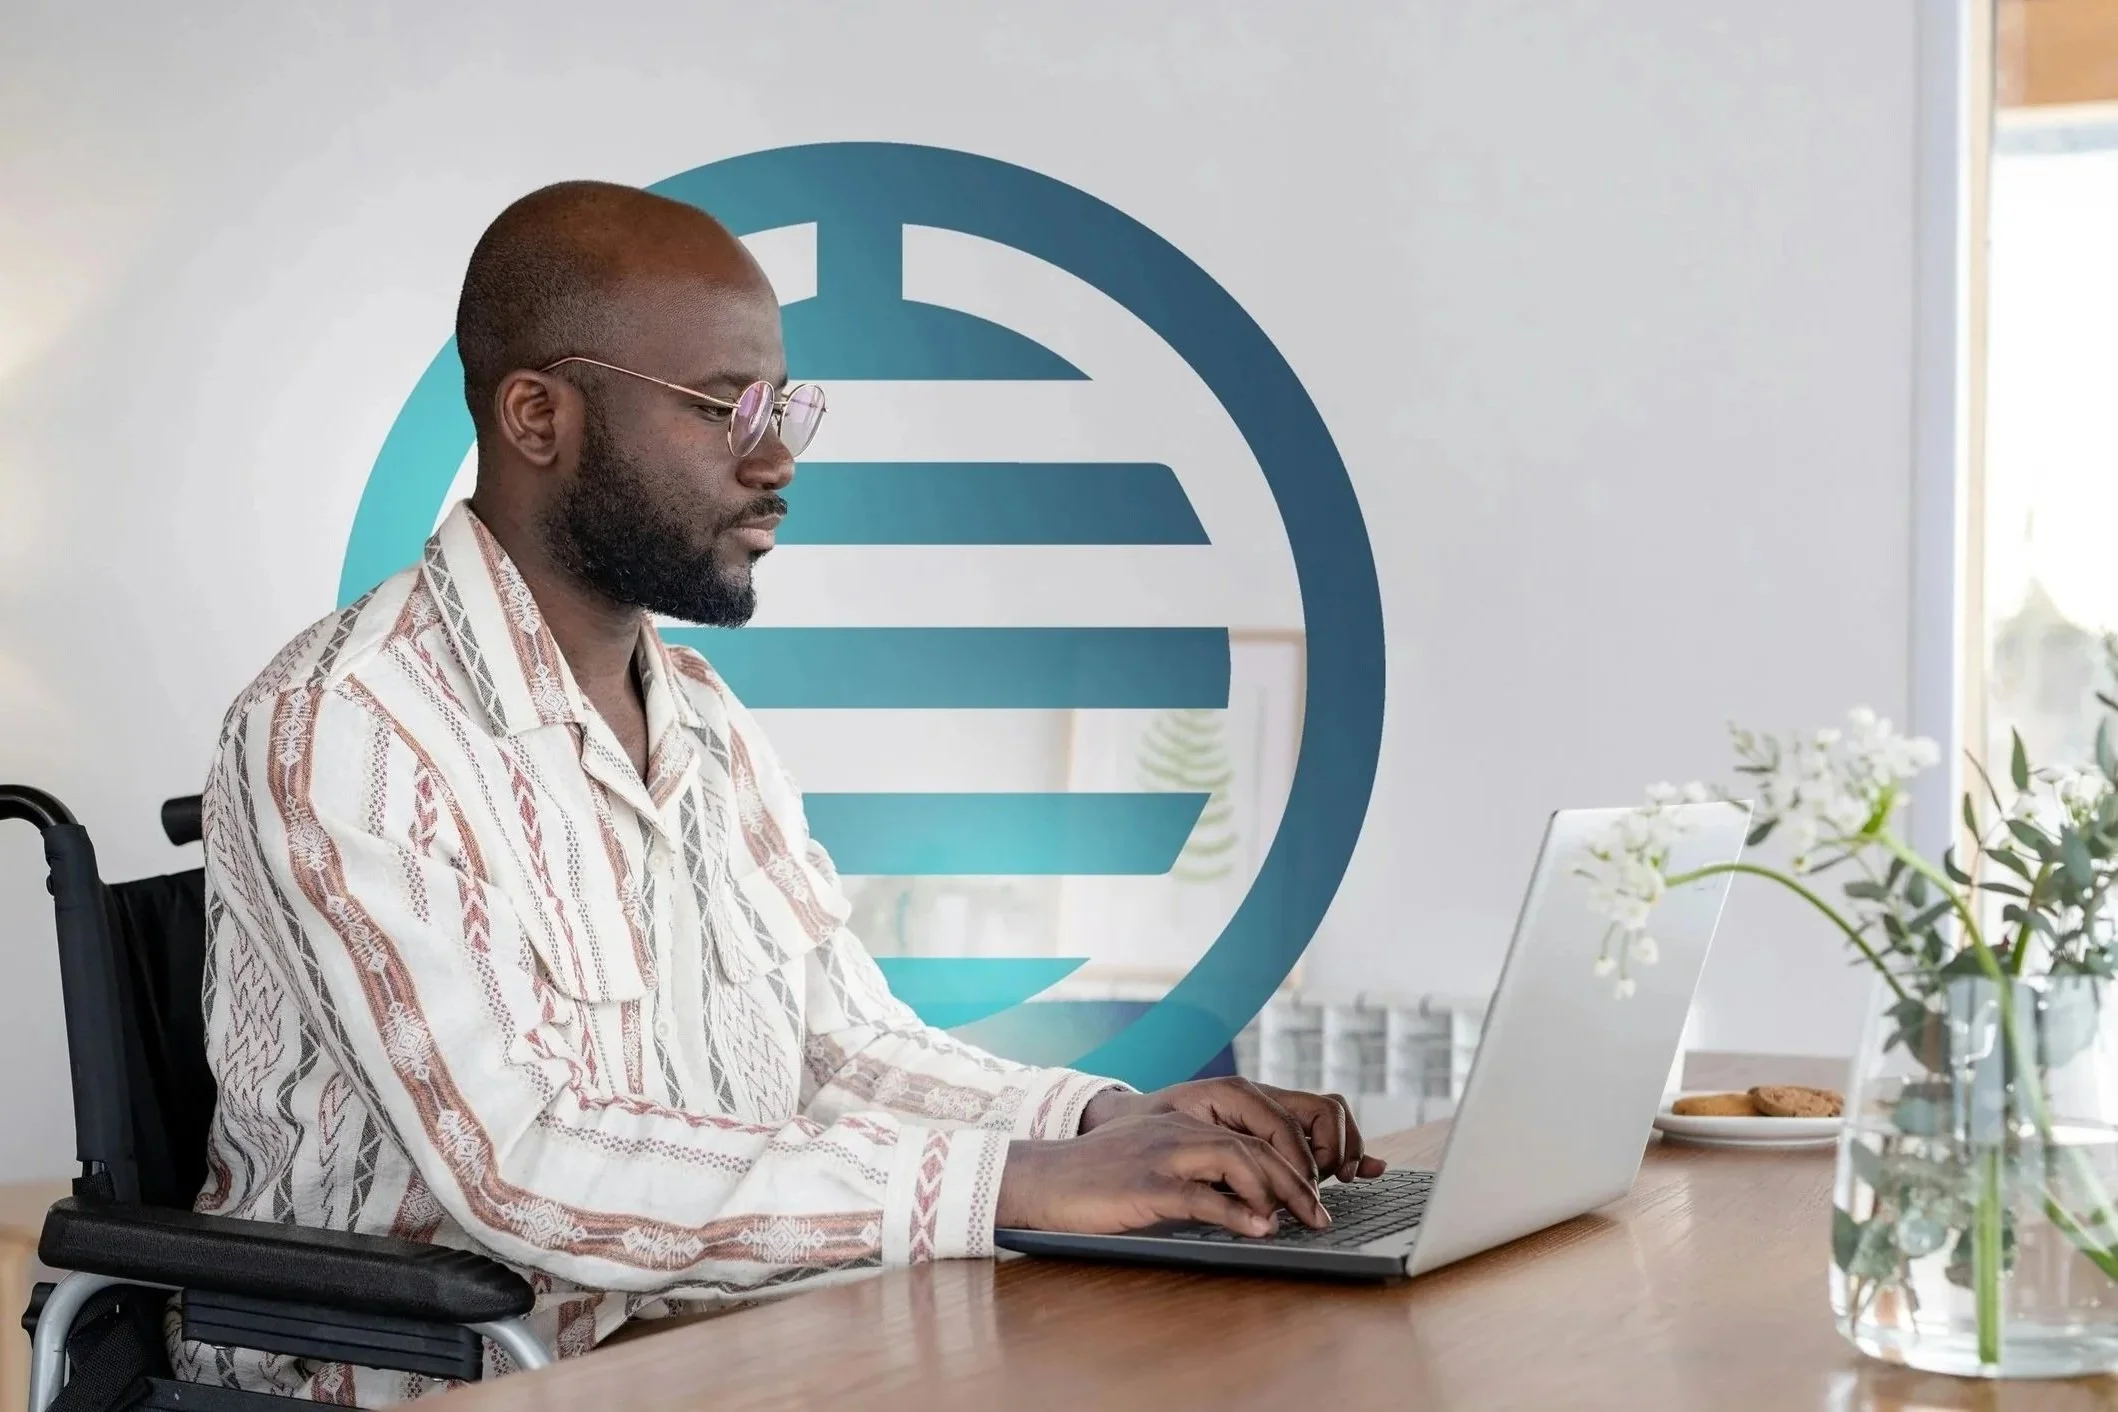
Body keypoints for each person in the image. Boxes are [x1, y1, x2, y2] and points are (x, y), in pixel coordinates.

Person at [180, 180, 1382, 1403]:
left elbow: (833, 1046)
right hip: (442, 1379)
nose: (778, 458)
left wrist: (1102, 1123)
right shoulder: (353, 725)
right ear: (539, 415)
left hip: (713, 1344)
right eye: (725, 408)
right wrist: (1007, 1184)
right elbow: (524, 1164)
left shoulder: (701, 715)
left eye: (784, 404)